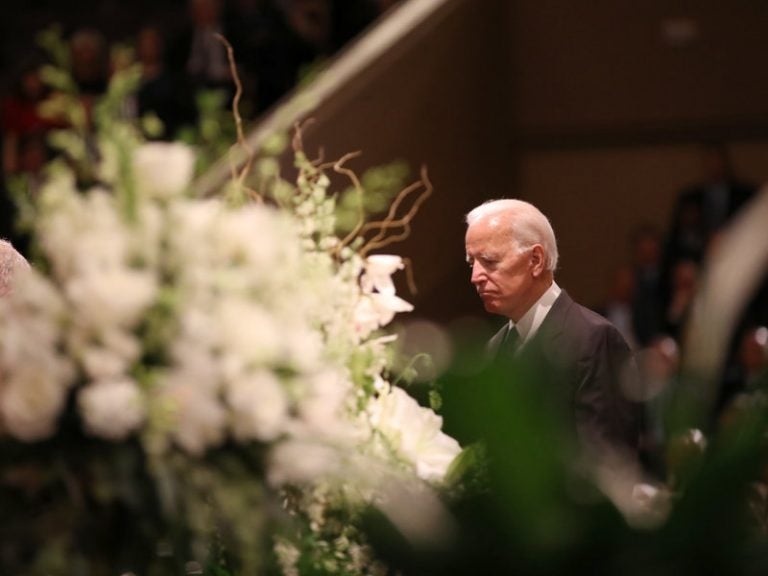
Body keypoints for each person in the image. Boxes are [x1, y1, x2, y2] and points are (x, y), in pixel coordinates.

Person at [464, 199, 640, 458]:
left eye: (489, 261)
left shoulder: (593, 338)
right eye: (472, 263)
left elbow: (608, 466)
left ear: (535, 260)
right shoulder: (494, 346)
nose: (475, 276)